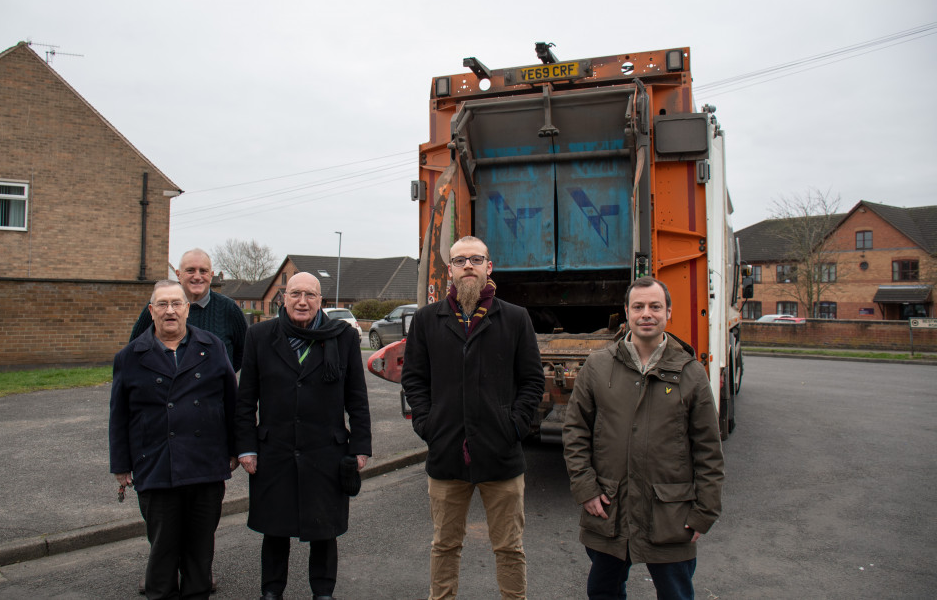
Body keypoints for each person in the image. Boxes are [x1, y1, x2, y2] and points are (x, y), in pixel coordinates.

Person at [561, 276, 725, 600]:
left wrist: (703, 513)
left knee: (676, 595)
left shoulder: (691, 373)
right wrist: (586, 489)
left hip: (671, 517)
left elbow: (708, 449)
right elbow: (575, 431)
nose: (646, 314)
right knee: (603, 591)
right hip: (610, 511)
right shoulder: (597, 367)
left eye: (655, 306)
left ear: (669, 312)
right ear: (626, 312)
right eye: (638, 307)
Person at [401, 236, 545, 600]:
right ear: (449, 270)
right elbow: (414, 379)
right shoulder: (426, 321)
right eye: (460, 260)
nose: (468, 266)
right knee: (445, 545)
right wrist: (427, 425)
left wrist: (514, 426)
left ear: (488, 267)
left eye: (476, 259)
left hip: (502, 456)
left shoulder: (515, 318)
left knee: (509, 548)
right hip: (446, 454)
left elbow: (532, 380)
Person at [235, 272, 371, 600]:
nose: (302, 301)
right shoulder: (259, 336)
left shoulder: (344, 337)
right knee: (275, 528)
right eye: (295, 293)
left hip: (326, 451)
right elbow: (244, 401)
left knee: (325, 530)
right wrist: (246, 448)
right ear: (284, 297)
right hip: (274, 451)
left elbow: (357, 397)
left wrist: (361, 446)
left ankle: (323, 593)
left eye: (310, 295)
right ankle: (271, 592)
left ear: (321, 301)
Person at [110, 280, 238, 600]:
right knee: (163, 550)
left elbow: (232, 403)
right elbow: (119, 416)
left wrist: (237, 449)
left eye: (176, 304)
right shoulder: (129, 356)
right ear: (151, 312)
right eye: (163, 305)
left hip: (205, 465)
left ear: (187, 309)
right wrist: (121, 466)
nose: (170, 311)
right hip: (154, 465)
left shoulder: (212, 347)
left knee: (199, 551)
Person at [130, 249, 248, 372]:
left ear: (211, 275)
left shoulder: (229, 309)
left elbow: (244, 353)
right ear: (178, 274)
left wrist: (218, 377)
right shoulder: (158, 307)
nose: (197, 277)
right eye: (190, 270)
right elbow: (134, 349)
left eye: (203, 271)